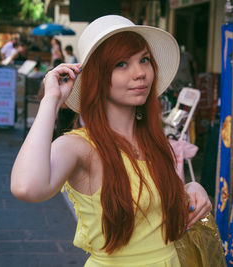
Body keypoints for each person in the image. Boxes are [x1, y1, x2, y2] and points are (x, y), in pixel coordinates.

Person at [11, 15, 212, 266]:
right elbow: (27, 187)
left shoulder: (154, 140)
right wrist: (51, 101)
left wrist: (191, 190)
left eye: (144, 60)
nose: (140, 73)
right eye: (121, 64)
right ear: (97, 76)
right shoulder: (81, 147)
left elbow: (153, 206)